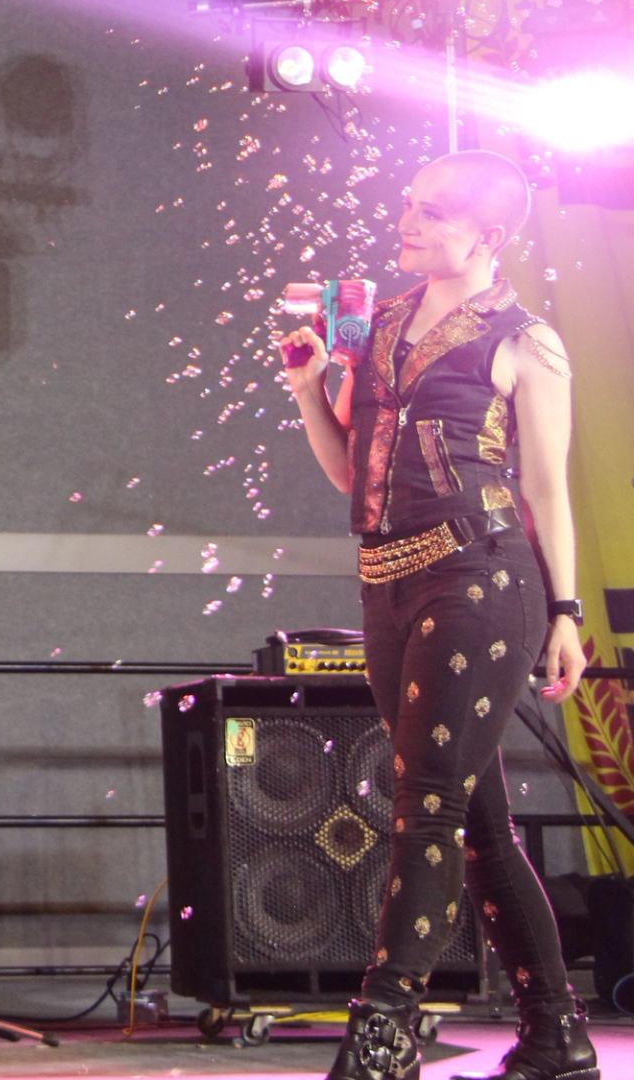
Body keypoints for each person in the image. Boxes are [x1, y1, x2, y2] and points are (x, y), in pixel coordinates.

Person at [280, 150, 597, 1080]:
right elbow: (353, 476)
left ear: (486, 236)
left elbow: (545, 487)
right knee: (477, 821)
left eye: (431, 214)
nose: (407, 222)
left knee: (426, 807)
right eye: (409, 206)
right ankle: (556, 1033)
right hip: (387, 581)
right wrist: (308, 389)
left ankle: (384, 1032)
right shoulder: (375, 325)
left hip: (479, 578)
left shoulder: (525, 341)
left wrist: (567, 611)